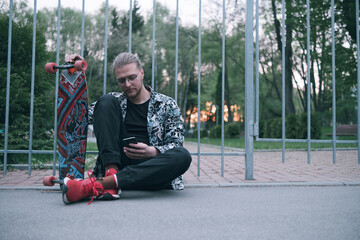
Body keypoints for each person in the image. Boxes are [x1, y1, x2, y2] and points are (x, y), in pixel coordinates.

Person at [62, 52, 192, 204]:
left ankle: (102, 184)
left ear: (142, 73)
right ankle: (111, 175)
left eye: (132, 78)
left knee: (183, 155)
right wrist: (73, 74)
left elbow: (176, 143)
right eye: (121, 80)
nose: (128, 84)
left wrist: (152, 151)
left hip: (153, 171)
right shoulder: (113, 102)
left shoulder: (167, 104)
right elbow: (77, 118)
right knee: (106, 100)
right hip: (119, 164)